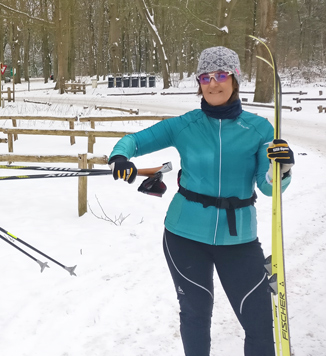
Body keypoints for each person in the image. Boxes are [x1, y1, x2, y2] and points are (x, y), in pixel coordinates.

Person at [108, 46, 295, 356]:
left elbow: (269, 188)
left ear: (235, 79)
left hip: (240, 240)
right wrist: (120, 157)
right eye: (205, 77)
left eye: (221, 74)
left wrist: (282, 170)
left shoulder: (260, 129)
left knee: (260, 322)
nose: (213, 83)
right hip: (184, 235)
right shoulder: (185, 124)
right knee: (195, 316)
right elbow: (135, 141)